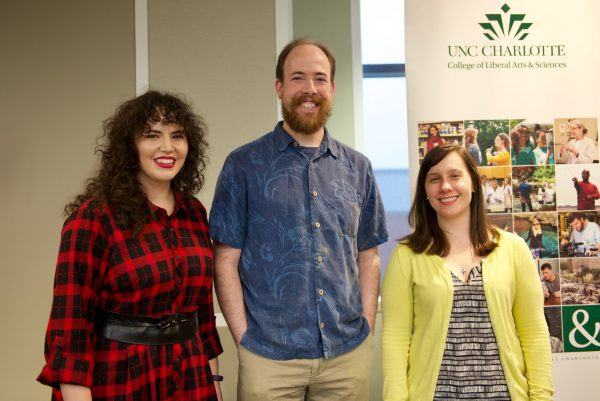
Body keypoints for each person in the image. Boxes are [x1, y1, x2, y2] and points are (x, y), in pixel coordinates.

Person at [210, 38, 388, 401]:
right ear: (279, 87)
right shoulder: (244, 165)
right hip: (269, 359)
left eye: (320, 79)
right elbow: (225, 259)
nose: (310, 89)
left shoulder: (358, 168)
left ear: (333, 89)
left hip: (346, 355)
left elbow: (367, 255)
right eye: (298, 78)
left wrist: (367, 325)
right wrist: (243, 336)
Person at [37, 91, 223, 401]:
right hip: (120, 379)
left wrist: (214, 383)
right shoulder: (93, 219)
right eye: (152, 135)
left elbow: (201, 318)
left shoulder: (193, 213)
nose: (168, 147)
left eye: (177, 136)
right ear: (130, 147)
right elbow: (71, 332)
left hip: (191, 379)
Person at [381, 143, 553, 401]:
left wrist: (541, 398)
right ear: (426, 191)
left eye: (454, 176)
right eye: (434, 179)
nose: (445, 187)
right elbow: (395, 340)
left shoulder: (513, 249)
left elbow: (534, 333)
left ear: (473, 183)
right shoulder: (407, 256)